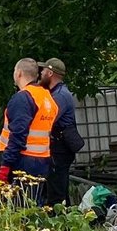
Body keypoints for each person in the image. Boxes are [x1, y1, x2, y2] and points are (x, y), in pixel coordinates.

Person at [0, 58, 59, 204]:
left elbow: (18, 135)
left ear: (18, 73)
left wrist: (5, 166)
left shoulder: (23, 98)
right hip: (42, 159)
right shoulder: (46, 97)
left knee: (20, 205)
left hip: (22, 160)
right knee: (34, 203)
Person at [40, 57, 84, 207]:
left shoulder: (59, 96)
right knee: (58, 186)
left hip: (60, 148)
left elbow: (47, 119)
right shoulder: (58, 93)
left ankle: (58, 216)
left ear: (50, 73)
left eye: (44, 70)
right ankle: (64, 215)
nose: (41, 73)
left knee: (56, 190)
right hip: (60, 146)